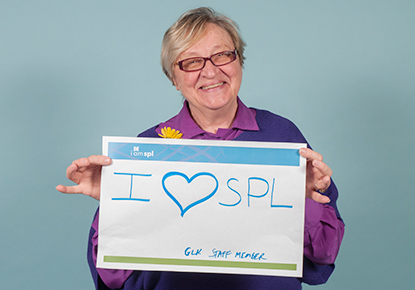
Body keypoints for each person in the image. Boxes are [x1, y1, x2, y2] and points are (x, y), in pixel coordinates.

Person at [56, 7, 344, 290]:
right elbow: (113, 278)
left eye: (221, 55)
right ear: (174, 78)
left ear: (239, 61)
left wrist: (306, 200)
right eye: (191, 62)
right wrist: (112, 205)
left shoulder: (283, 136)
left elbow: (323, 254)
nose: (210, 71)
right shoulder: (146, 149)